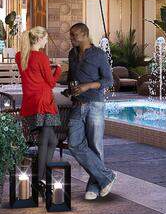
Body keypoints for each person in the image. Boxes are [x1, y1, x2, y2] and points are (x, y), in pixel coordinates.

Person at [66, 22, 116, 200]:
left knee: (95, 146)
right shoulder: (72, 54)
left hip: (95, 103)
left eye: (74, 35)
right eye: (70, 35)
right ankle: (106, 177)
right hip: (77, 104)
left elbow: (109, 81)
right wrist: (69, 88)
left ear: (85, 34)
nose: (71, 38)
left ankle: (94, 186)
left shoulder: (98, 54)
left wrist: (87, 86)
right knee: (74, 143)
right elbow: (71, 78)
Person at [14, 27, 63, 194]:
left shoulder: (20, 56)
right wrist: (59, 70)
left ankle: (42, 178)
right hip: (44, 102)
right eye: (46, 38)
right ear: (40, 39)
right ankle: (41, 180)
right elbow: (51, 83)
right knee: (45, 141)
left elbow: (31, 74)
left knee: (52, 141)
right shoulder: (42, 57)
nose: (47, 41)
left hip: (30, 102)